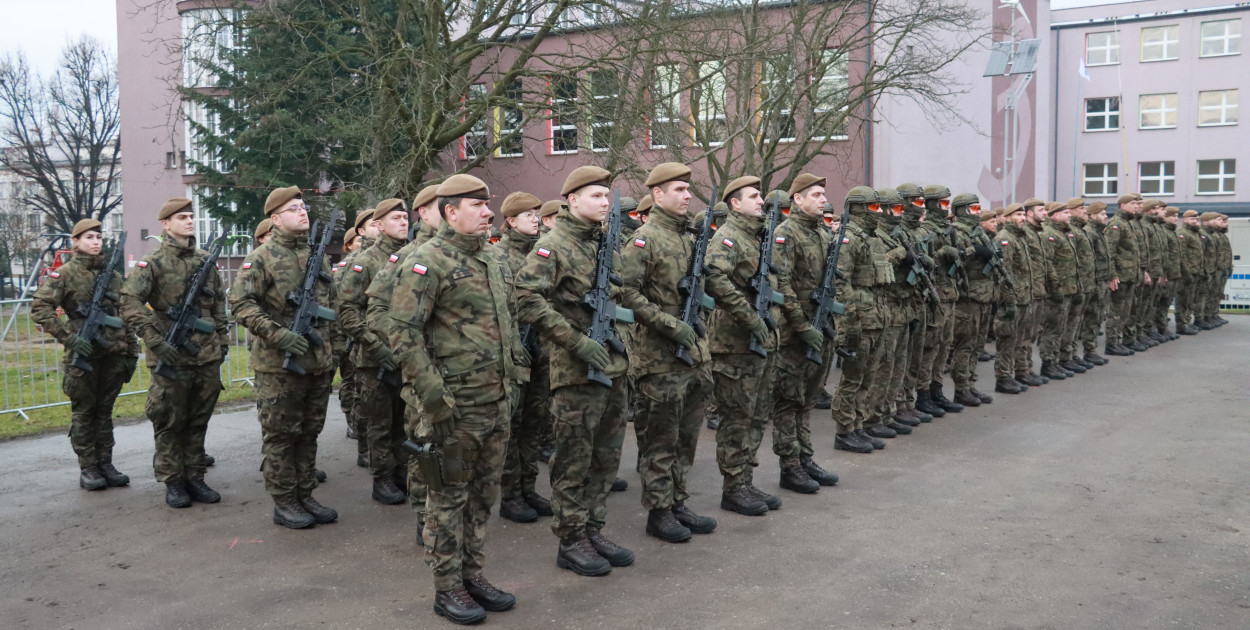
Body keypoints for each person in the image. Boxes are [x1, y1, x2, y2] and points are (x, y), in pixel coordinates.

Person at [388, 174, 524, 624]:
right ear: (450, 211)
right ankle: (447, 588)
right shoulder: (427, 261)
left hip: (496, 400)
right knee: (446, 500)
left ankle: (472, 574)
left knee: (483, 496)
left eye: (489, 205)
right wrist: (433, 397)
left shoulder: (492, 258)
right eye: (478, 205)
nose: (488, 212)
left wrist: (515, 376)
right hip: (454, 409)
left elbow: (507, 325)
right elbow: (402, 332)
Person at [516, 166, 634, 577]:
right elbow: (526, 299)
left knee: (605, 457)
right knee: (574, 460)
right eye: (597, 196)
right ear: (572, 200)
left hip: (613, 365)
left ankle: (593, 528)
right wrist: (576, 340)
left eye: (607, 196)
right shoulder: (553, 245)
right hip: (576, 371)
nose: (604, 203)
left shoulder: (603, 243)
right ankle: (570, 539)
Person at [230, 186, 342, 529]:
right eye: (294, 209)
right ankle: (284, 501)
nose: (303, 212)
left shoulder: (317, 256)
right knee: (281, 435)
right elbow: (241, 304)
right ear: (275, 218)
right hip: (278, 366)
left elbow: (333, 307)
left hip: (317, 363)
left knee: (309, 433)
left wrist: (333, 352)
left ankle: (305, 493)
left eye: (304, 207)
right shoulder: (261, 258)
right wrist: (278, 334)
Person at [618, 162, 718, 541]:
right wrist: (668, 323)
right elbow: (627, 293)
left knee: (686, 437)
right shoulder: (644, 240)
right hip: (659, 359)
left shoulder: (688, 238)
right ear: (657, 194)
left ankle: (677, 500)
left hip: (694, 355)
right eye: (678, 189)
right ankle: (659, 511)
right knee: (660, 438)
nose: (686, 195)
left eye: (687, 190)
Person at [121, 199, 229, 508]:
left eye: (191, 216)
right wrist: (155, 340)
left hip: (205, 356)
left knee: (198, 420)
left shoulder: (205, 260)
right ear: (166, 224)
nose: (189, 221)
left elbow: (218, 304)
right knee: (169, 421)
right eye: (182, 217)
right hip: (170, 354)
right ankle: (173, 482)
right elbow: (130, 302)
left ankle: (195, 477)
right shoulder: (152, 262)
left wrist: (222, 342)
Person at [31, 219, 139, 491]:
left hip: (112, 354)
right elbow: (39, 308)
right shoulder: (65, 273)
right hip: (83, 357)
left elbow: (124, 315)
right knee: (84, 412)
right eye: (89, 237)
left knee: (105, 411)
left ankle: (106, 462)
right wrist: (69, 338)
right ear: (76, 241)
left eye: (99, 237)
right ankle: (88, 467)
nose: (95, 242)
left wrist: (131, 351)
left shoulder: (113, 276)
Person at [704, 172, 784, 513]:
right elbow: (714, 278)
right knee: (737, 418)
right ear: (734, 203)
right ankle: (732, 487)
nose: (760, 201)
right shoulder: (728, 237)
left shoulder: (757, 236)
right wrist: (749, 317)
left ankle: (745, 482)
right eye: (753, 196)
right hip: (735, 343)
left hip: (761, 341)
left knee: (757, 415)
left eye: (760, 195)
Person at [365, 184, 441, 530]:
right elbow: (374, 310)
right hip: (419, 369)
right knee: (417, 440)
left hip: (463, 374)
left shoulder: (473, 251)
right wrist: (404, 347)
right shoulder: (409, 256)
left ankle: (449, 522)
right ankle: (425, 518)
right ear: (424, 212)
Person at [339, 198, 410, 505]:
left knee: (404, 422)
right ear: (378, 225)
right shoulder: (364, 262)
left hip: (406, 355)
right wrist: (375, 345)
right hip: (374, 359)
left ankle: (402, 474)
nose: (404, 222)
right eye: (396, 218)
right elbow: (348, 311)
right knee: (381, 422)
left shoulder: (413, 256)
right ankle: (383, 479)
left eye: (405, 217)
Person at [770, 175, 840, 486]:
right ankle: (790, 465)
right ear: (797, 199)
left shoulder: (823, 233)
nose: (823, 199)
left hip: (822, 325)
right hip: (794, 333)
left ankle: (805, 456)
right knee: (789, 400)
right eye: (816, 194)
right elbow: (781, 285)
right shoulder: (786, 234)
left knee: (809, 399)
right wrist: (801, 325)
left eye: (823, 194)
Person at [495, 191, 554, 524]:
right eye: (528, 215)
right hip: (516, 351)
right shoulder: (498, 255)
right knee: (513, 427)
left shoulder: (542, 253)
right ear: (511, 221)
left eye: (537, 214)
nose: (536, 219)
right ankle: (511, 494)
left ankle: (528, 487)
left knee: (534, 424)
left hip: (542, 350)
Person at [993, 203, 1038, 394]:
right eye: (1018, 214)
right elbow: (1004, 273)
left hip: (1023, 296)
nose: (1022, 218)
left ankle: (1013, 373)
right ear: (1009, 216)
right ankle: (1002, 378)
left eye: (1022, 214)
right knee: (1007, 339)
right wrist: (1009, 300)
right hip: (1012, 299)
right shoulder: (1005, 239)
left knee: (1018, 339)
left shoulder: (1018, 238)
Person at [1103, 194, 1144, 356]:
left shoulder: (1128, 224)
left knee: (1125, 311)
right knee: (1115, 311)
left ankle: (1118, 341)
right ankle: (1111, 343)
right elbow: (1109, 252)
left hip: (1129, 275)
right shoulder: (1116, 225)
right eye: (1132, 204)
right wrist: (1112, 275)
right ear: (1122, 205)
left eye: (1137, 204)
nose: (1136, 206)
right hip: (1120, 276)